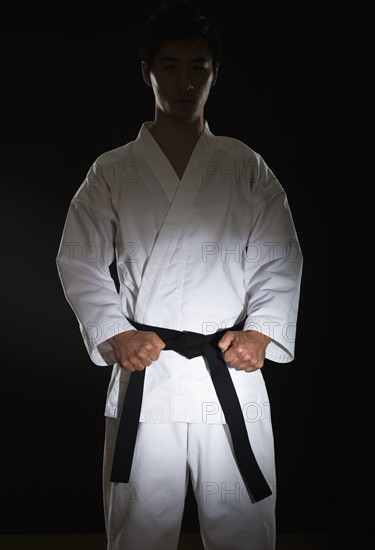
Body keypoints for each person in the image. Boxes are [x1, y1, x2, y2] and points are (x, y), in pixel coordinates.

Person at [56, 0, 303, 548]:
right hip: (147, 370)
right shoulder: (114, 170)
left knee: (245, 531)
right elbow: (79, 257)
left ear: (215, 74)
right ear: (147, 72)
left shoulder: (244, 166)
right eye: (169, 66)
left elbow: (280, 254)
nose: (184, 81)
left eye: (199, 67)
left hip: (230, 372)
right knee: (138, 532)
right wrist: (115, 332)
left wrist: (262, 331)